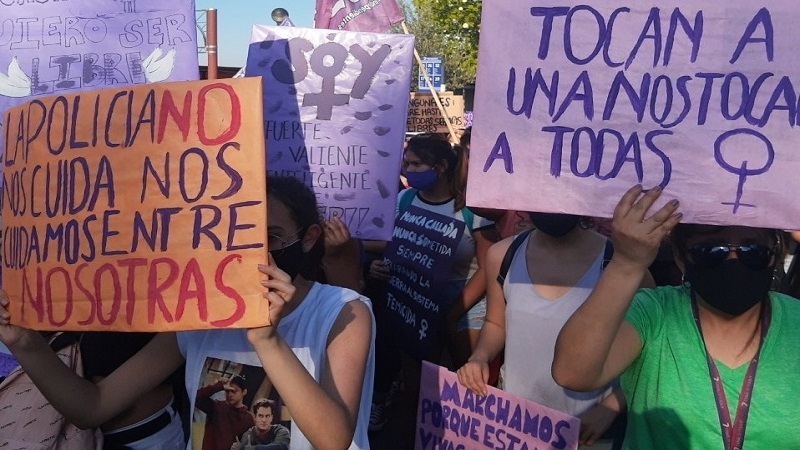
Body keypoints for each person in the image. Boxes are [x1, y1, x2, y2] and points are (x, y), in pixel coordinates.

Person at [0, 175, 375, 450]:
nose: (250, 252)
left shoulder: (343, 312)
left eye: (270, 238)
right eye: (236, 236)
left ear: (307, 239)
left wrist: (266, 339)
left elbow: (333, 439)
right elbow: (92, 406)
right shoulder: (200, 315)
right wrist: (25, 343)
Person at [552, 185, 800, 449]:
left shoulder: (795, 323)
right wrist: (626, 264)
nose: (733, 260)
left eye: (753, 250)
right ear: (681, 258)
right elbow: (573, 373)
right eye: (711, 251)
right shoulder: (654, 313)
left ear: (776, 255)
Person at [457, 212, 646, 448]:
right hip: (516, 424)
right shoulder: (503, 254)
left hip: (588, 431)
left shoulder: (620, 265)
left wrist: (611, 407)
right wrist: (480, 356)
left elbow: (647, 353)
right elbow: (496, 323)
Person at [367, 133, 497, 435]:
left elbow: (490, 269)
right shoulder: (405, 199)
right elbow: (396, 246)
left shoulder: (470, 209)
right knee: (420, 388)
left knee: (469, 384)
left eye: (415, 163)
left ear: (439, 167)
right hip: (413, 302)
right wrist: (380, 266)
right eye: (406, 162)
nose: (406, 168)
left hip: (466, 303)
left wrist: (453, 313)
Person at [196, 375, 254, 449]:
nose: (230, 394)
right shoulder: (216, 407)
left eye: (234, 391)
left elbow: (249, 443)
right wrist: (219, 386)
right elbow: (196, 398)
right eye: (227, 391)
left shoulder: (248, 419)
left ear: (244, 392)